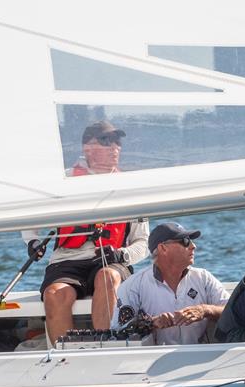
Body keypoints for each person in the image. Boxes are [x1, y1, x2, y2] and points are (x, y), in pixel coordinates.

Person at [22, 120, 149, 345]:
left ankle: (107, 349)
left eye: (117, 142)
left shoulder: (131, 187)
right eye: (106, 141)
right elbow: (28, 214)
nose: (114, 147)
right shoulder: (62, 182)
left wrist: (122, 255)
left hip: (111, 263)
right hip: (67, 262)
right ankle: (67, 360)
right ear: (86, 148)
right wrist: (32, 241)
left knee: (107, 278)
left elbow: (143, 243)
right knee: (54, 295)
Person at [112, 222, 229, 345]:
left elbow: (233, 310)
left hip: (199, 357)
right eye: (185, 241)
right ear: (163, 248)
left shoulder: (203, 278)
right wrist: (151, 323)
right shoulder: (133, 286)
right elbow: (117, 331)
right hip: (152, 361)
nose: (193, 246)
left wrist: (205, 310)